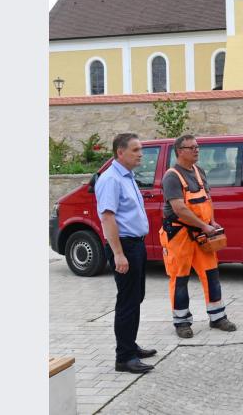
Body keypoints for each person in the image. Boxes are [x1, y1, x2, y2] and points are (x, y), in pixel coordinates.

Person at [159, 134, 237, 339]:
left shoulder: (198, 171)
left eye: (197, 146)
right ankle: (182, 322)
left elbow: (207, 200)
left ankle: (217, 317)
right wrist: (204, 225)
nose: (196, 150)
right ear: (179, 151)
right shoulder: (172, 177)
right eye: (191, 147)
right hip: (179, 234)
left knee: (211, 274)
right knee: (180, 278)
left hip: (202, 234)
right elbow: (179, 208)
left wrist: (212, 222)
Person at [95, 133, 157, 374]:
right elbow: (107, 217)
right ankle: (124, 357)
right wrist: (118, 254)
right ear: (120, 152)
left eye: (140, 149)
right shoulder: (111, 179)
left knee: (136, 297)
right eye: (135, 150)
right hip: (124, 246)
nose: (141, 154)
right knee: (127, 301)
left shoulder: (127, 176)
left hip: (135, 244)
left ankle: (130, 345)